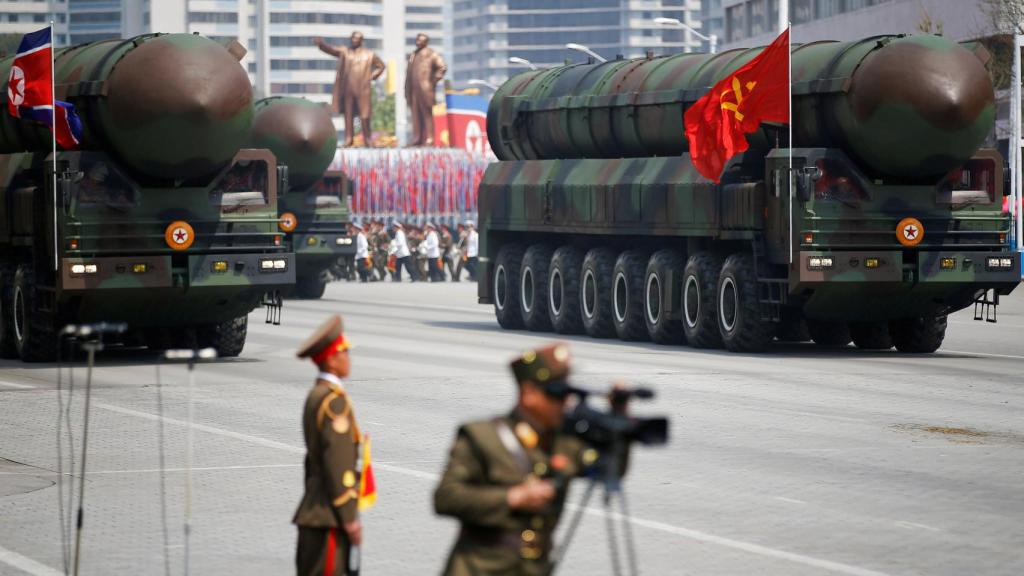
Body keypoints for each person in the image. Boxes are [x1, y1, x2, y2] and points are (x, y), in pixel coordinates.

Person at [434, 343, 628, 575]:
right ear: (529, 394)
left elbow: (610, 470)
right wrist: (513, 498)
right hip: (480, 568)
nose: (565, 403)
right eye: (556, 394)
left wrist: (619, 419)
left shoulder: (565, 444)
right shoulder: (482, 436)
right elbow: (446, 497)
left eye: (567, 394)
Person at [293, 315, 363, 576]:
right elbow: (339, 466)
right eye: (344, 352)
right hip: (328, 517)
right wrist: (349, 518)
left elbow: (311, 462)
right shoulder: (335, 403)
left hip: (313, 510)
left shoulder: (315, 395)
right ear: (332, 360)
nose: (349, 358)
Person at [314, 32, 385, 147]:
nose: (354, 40)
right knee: (348, 114)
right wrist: (322, 45)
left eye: (357, 38)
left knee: (365, 115)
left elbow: (381, 66)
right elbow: (332, 50)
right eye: (352, 38)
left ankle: (368, 139)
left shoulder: (369, 54)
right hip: (348, 89)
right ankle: (349, 139)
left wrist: (372, 76)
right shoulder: (345, 52)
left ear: (361, 40)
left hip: (363, 89)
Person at [405, 33, 447, 147]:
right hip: (414, 90)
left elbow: (442, 67)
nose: (417, 42)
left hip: (425, 89)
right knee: (415, 114)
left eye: (420, 40)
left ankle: (430, 138)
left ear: (425, 42)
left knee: (426, 114)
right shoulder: (413, 55)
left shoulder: (432, 54)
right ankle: (417, 138)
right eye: (417, 39)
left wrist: (433, 81)